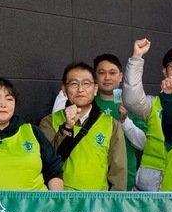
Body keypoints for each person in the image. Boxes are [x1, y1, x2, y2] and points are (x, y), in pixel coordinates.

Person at [122, 39, 172, 191]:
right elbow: (131, 100)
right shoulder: (153, 104)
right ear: (165, 71)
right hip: (151, 177)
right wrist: (137, 57)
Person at [38, 62, 126, 191]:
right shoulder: (49, 122)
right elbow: (45, 161)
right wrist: (67, 127)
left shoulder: (111, 124)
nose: (80, 89)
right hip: (62, 202)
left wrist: (114, 205)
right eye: (74, 84)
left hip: (96, 203)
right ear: (64, 89)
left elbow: (118, 172)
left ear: (95, 89)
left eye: (86, 83)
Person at [93, 53, 147, 191]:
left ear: (121, 76)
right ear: (94, 76)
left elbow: (143, 144)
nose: (107, 78)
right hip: (93, 181)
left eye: (112, 73)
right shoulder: (87, 102)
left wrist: (125, 120)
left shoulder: (130, 102)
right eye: (101, 73)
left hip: (124, 180)